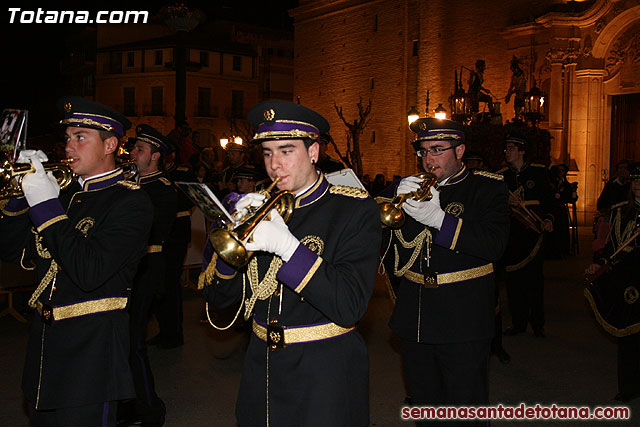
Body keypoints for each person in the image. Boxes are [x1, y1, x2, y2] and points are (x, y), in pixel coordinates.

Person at [199, 99, 380, 426]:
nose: (274, 165)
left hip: (324, 374)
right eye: (267, 153)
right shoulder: (259, 206)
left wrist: (287, 247)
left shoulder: (352, 209)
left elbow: (350, 305)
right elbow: (220, 301)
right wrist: (230, 244)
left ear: (314, 151)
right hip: (261, 368)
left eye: (286, 151)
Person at [0, 96, 153, 426]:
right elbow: (15, 252)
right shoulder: (63, 195)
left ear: (110, 144)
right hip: (45, 348)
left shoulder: (132, 202)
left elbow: (89, 270)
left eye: (80, 137)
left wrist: (45, 207)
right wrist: (16, 198)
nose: (69, 146)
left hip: (91, 356)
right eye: (67, 138)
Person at [380, 118, 509, 418]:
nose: (428, 160)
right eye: (423, 152)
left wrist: (440, 220)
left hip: (463, 317)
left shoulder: (487, 188)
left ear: (460, 150)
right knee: (424, 405)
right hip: (416, 315)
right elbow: (372, 224)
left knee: (465, 406)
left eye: (437, 150)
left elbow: (494, 245)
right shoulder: (408, 188)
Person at [123, 125, 178, 425]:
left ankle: (149, 409)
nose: (133, 153)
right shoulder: (130, 184)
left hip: (146, 268)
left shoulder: (163, 190)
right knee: (120, 342)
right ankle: (127, 403)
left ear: (155, 156)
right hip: (125, 269)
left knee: (133, 343)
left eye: (140, 150)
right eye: (134, 148)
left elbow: (150, 231)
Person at [585, 162, 640, 402]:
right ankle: (628, 386)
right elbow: (611, 247)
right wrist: (599, 262)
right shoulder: (620, 211)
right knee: (628, 334)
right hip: (625, 279)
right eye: (635, 180)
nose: (638, 185)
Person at [498, 135, 554, 337]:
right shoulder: (502, 176)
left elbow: (549, 201)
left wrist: (548, 219)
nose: (507, 153)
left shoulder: (538, 173)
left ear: (522, 151)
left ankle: (538, 324)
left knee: (535, 281)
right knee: (514, 282)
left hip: (533, 233)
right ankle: (518, 323)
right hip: (513, 235)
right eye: (506, 149)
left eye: (511, 149)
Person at [148, 141, 197, 349]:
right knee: (158, 282)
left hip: (176, 233)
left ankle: (173, 333)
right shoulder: (151, 177)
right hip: (157, 235)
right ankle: (163, 329)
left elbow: (193, 200)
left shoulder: (184, 174)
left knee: (170, 284)